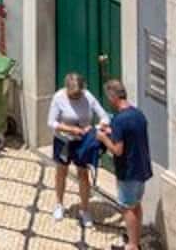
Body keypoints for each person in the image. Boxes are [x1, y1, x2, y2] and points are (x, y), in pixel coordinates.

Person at [97, 78, 154, 250]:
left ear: (113, 97)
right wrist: (112, 131)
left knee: (128, 208)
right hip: (142, 167)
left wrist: (103, 138)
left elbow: (117, 150)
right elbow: (131, 135)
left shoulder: (119, 120)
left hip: (128, 171)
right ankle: (135, 238)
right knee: (136, 205)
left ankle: (132, 246)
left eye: (109, 98)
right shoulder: (138, 114)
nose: (109, 101)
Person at [47, 70, 103, 224]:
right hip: (63, 141)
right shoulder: (58, 97)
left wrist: (93, 129)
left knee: (83, 175)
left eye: (78, 95)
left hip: (82, 142)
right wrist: (70, 129)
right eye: (73, 96)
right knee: (61, 172)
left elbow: (104, 117)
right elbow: (51, 122)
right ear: (67, 89)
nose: (76, 98)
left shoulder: (88, 97)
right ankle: (59, 204)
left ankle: (85, 209)